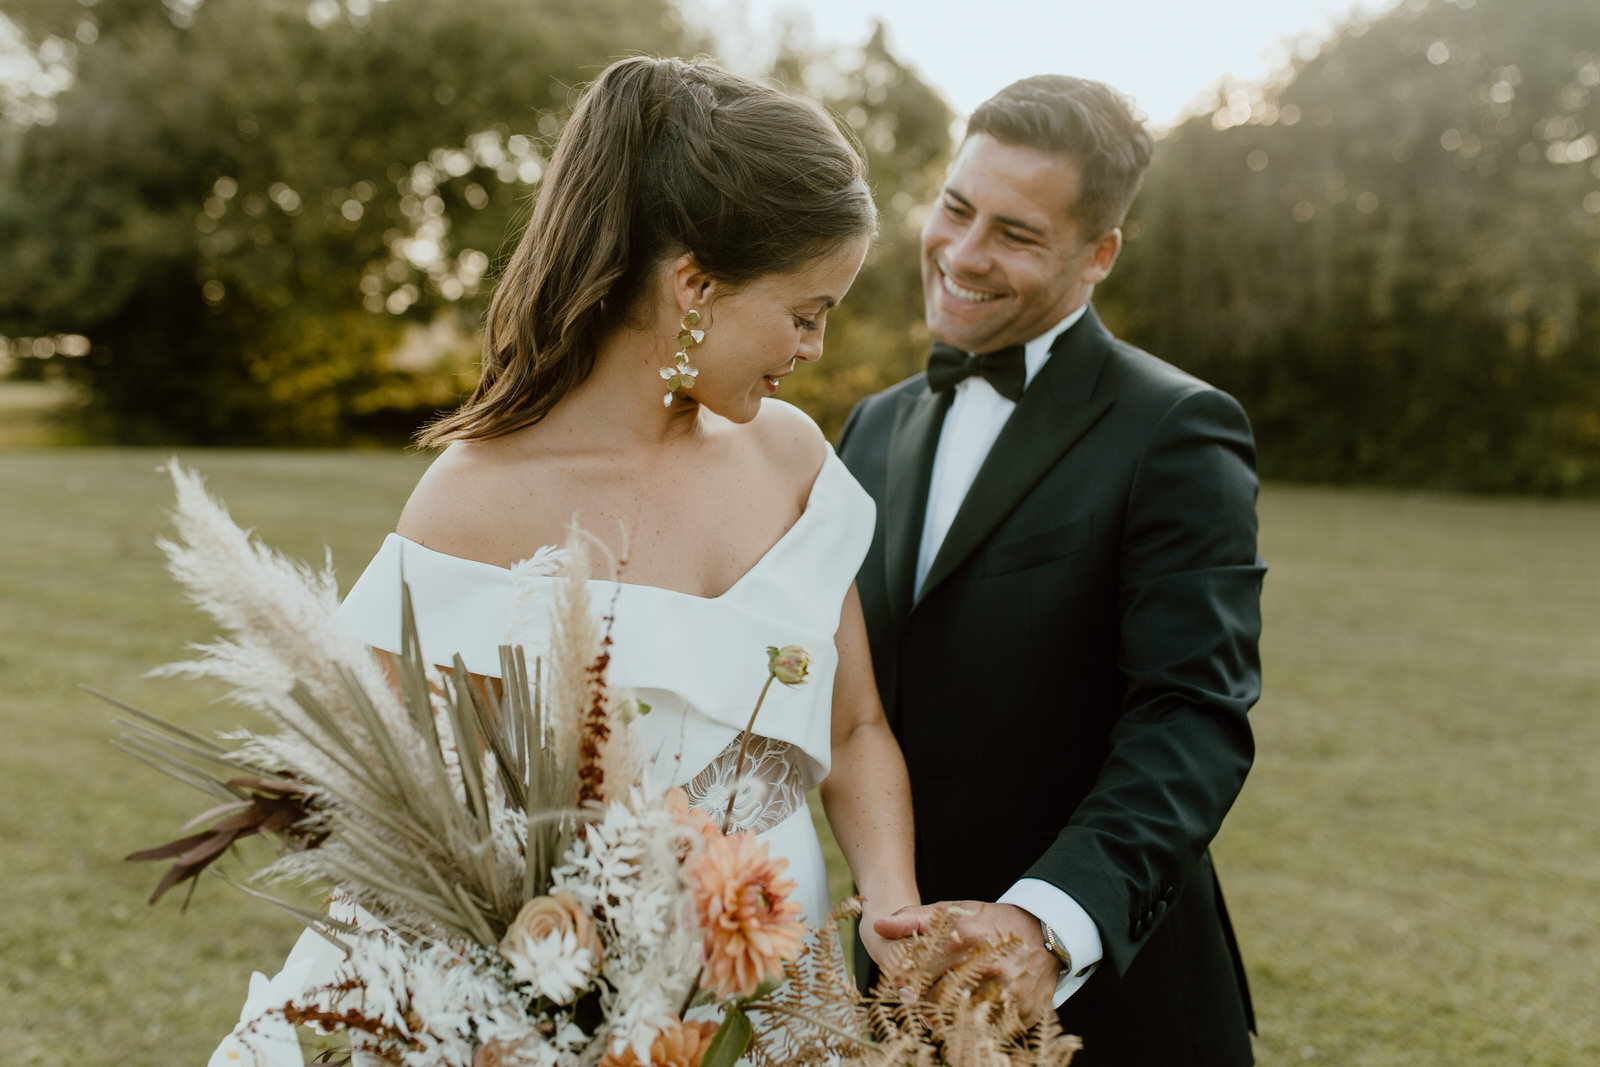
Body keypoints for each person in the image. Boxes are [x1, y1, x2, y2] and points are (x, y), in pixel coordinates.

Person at [211, 56, 918, 1066]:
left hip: (785, 997)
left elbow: (852, 727)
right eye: (806, 311)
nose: (812, 346)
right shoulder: (479, 502)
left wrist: (887, 900)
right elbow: (392, 823)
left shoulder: (796, 457)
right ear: (693, 286)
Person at [836, 75, 1264, 1066]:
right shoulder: (873, 424)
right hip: (896, 982)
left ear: (1096, 254)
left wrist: (1045, 921)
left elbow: (1190, 714)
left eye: (1016, 234)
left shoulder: (1175, 428)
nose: (963, 252)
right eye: (954, 207)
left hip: (1110, 1000)